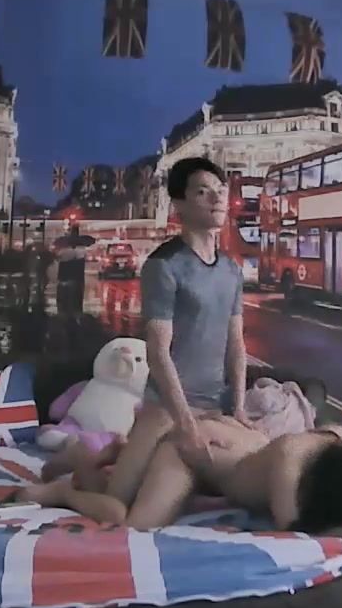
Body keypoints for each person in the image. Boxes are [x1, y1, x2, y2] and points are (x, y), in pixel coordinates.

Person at [20, 417, 342, 557]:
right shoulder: (291, 462)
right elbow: (292, 530)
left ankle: (118, 452)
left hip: (236, 445)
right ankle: (70, 483)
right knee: (132, 526)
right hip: (192, 454)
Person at [102, 156, 248, 509]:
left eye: (220, 190)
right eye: (202, 192)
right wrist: (185, 423)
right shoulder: (164, 265)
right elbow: (158, 352)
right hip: (167, 407)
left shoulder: (231, 270)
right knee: (117, 505)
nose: (217, 199)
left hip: (215, 408)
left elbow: (236, 345)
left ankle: (111, 454)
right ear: (179, 204)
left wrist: (240, 408)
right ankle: (65, 485)